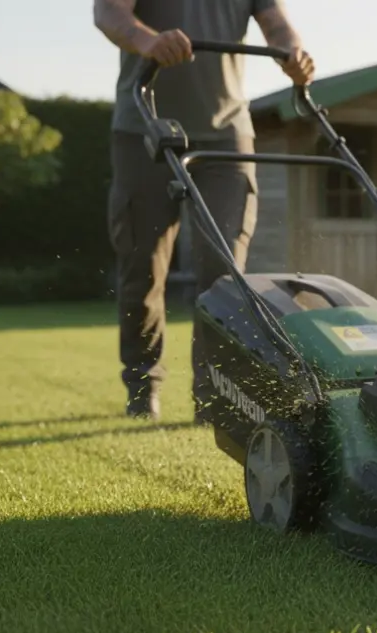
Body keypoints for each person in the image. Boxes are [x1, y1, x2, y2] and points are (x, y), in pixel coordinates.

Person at [93, 0, 315, 421]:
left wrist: (293, 54)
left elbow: (276, 24)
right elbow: (108, 12)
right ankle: (142, 386)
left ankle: (214, 396)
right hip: (145, 126)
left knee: (224, 271)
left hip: (227, 132)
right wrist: (149, 41)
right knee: (142, 266)